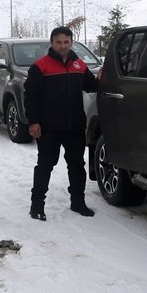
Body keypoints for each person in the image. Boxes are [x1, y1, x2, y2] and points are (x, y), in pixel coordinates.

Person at [24, 26, 99, 220]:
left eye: (66, 42)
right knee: (45, 165)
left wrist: (103, 76)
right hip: (48, 127)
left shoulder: (79, 66)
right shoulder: (40, 67)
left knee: (76, 165)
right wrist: (33, 122)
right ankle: (37, 205)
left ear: (71, 43)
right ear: (52, 43)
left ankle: (78, 202)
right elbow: (30, 97)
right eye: (58, 42)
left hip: (74, 126)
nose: (63, 46)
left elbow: (92, 86)